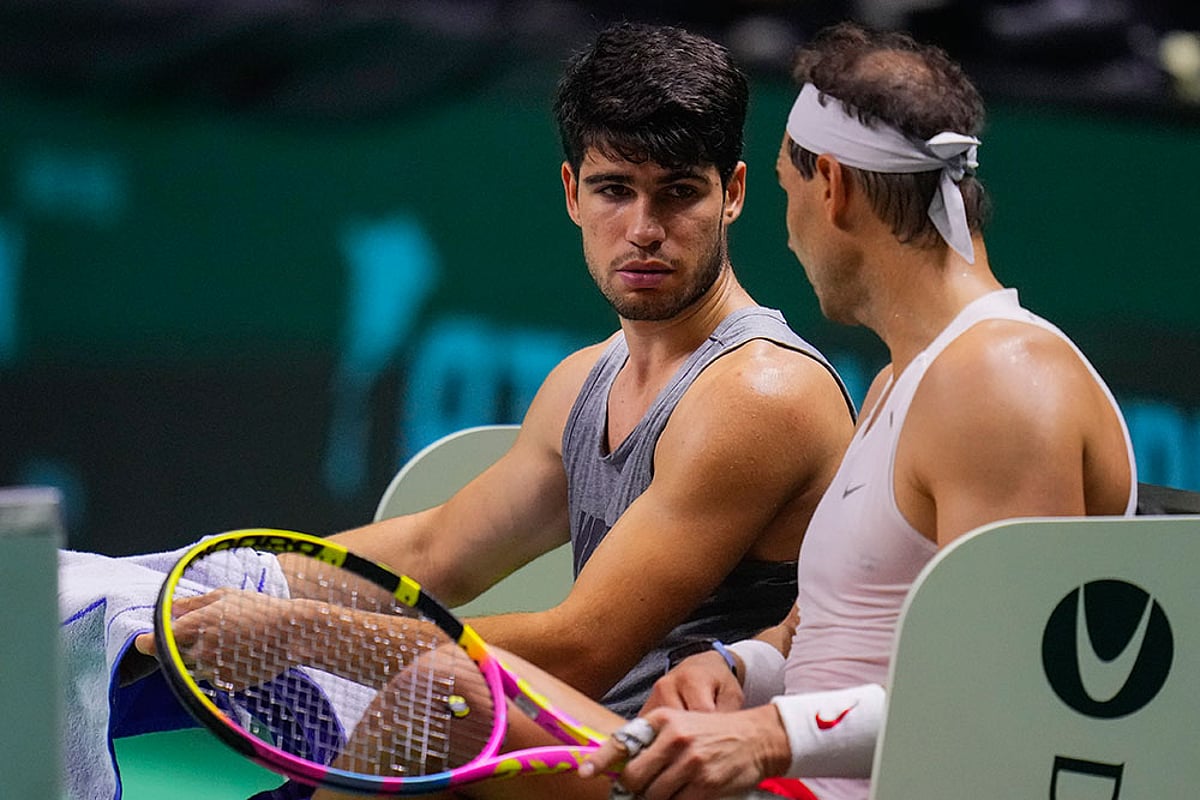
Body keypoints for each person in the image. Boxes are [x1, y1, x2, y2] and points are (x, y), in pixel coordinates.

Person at [369, 19, 1138, 800]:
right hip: (793, 772)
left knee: (447, 697)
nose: (789, 229)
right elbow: (846, 628)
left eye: (783, 188)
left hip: (822, 786)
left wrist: (771, 734)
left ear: (830, 186)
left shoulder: (998, 381)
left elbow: (1018, 691)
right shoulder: (905, 385)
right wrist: (746, 664)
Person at [132, 16, 852, 737]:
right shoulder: (583, 381)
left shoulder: (760, 393)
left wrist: (297, 632)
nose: (643, 228)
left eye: (677, 193)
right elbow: (432, 554)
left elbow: (582, 650)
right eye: (614, 191)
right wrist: (185, 583)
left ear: (732, 194)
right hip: (584, 751)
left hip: (681, 769)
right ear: (572, 193)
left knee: (448, 690)